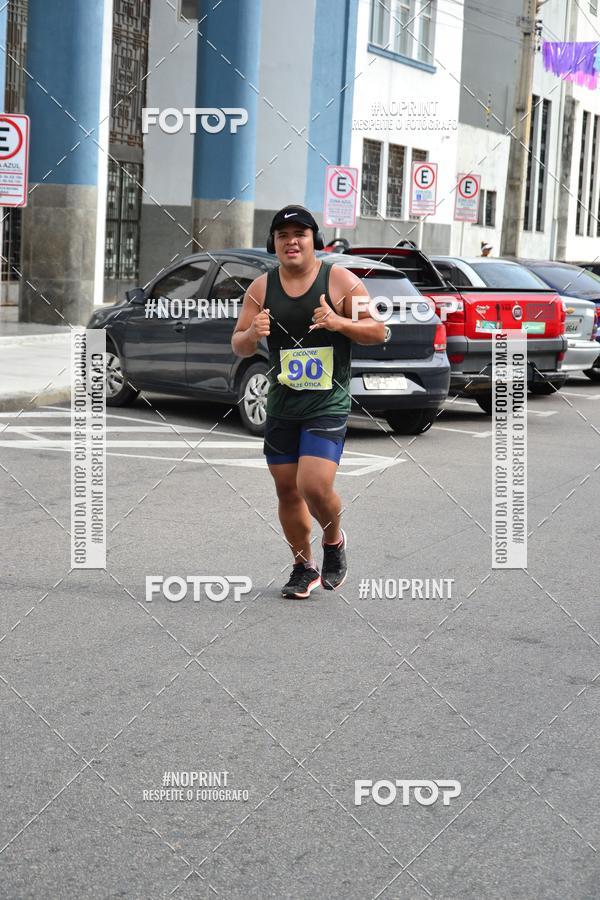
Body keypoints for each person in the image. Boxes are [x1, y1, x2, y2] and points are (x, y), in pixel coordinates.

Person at [232, 205, 385, 599]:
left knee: (313, 484)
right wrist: (252, 334)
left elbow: (379, 331)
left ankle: (333, 539)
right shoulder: (261, 287)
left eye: (299, 234)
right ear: (274, 243)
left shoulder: (341, 281)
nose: (291, 242)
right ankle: (303, 567)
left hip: (327, 403)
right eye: (283, 236)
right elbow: (238, 343)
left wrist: (340, 324)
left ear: (313, 240)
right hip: (282, 405)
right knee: (287, 491)